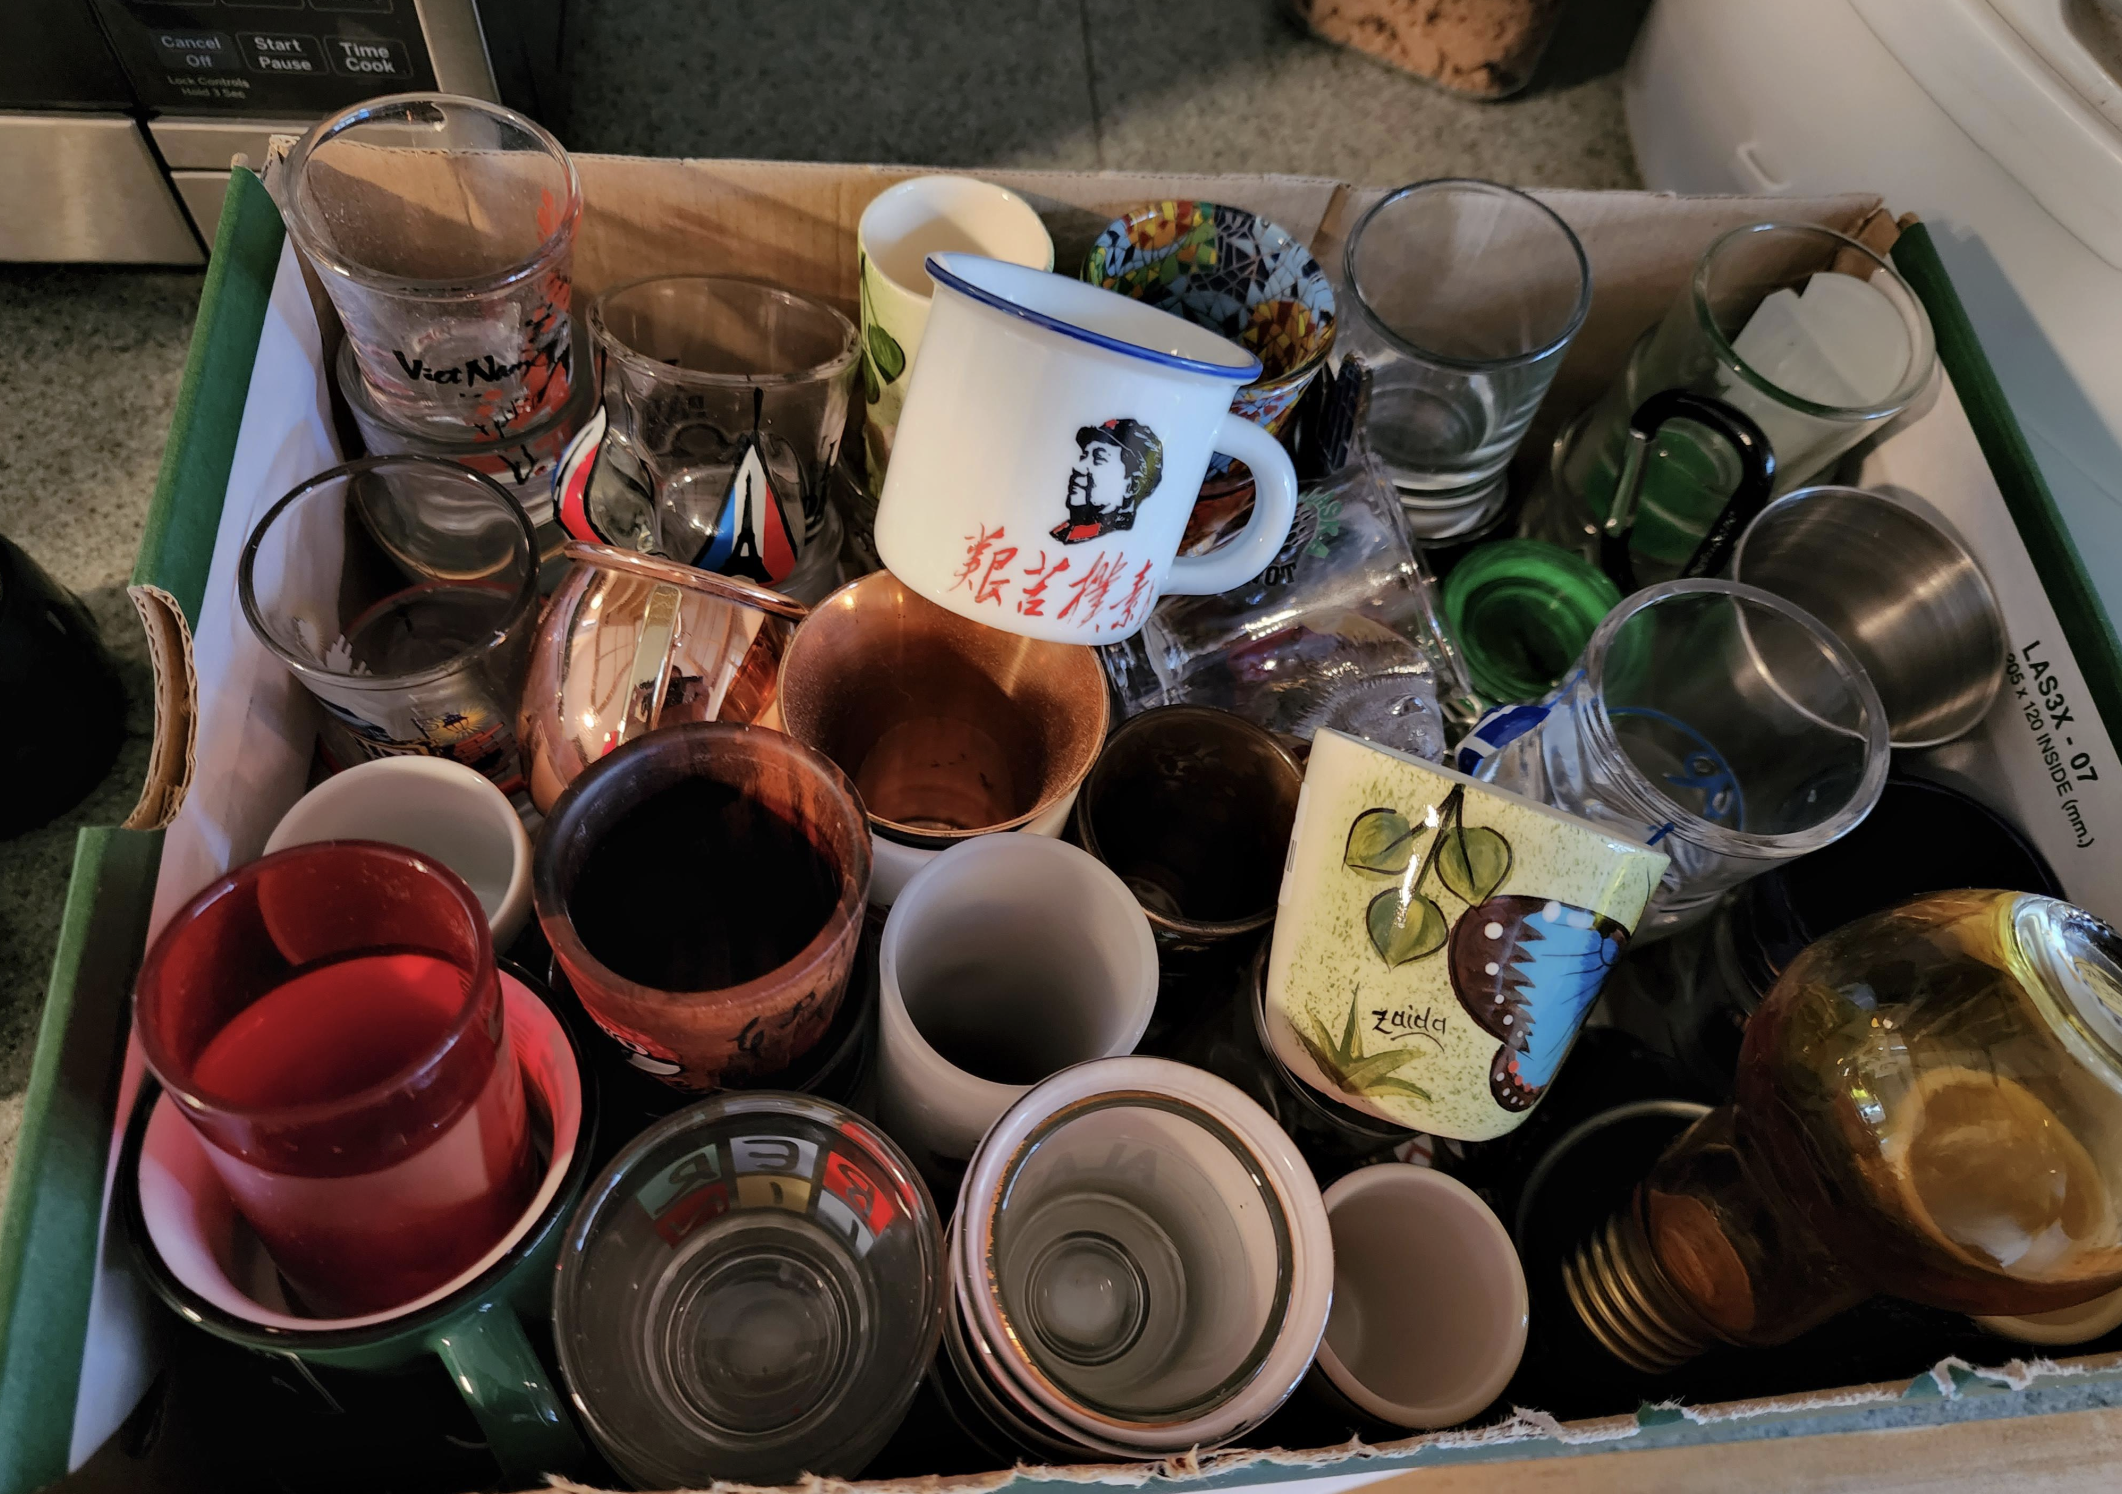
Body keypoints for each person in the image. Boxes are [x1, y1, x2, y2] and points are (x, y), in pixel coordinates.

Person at [1051, 417, 1163, 543]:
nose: (1078, 467)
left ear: (1132, 486)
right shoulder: (1064, 532)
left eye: (1098, 459)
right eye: (1083, 456)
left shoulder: (1118, 540)